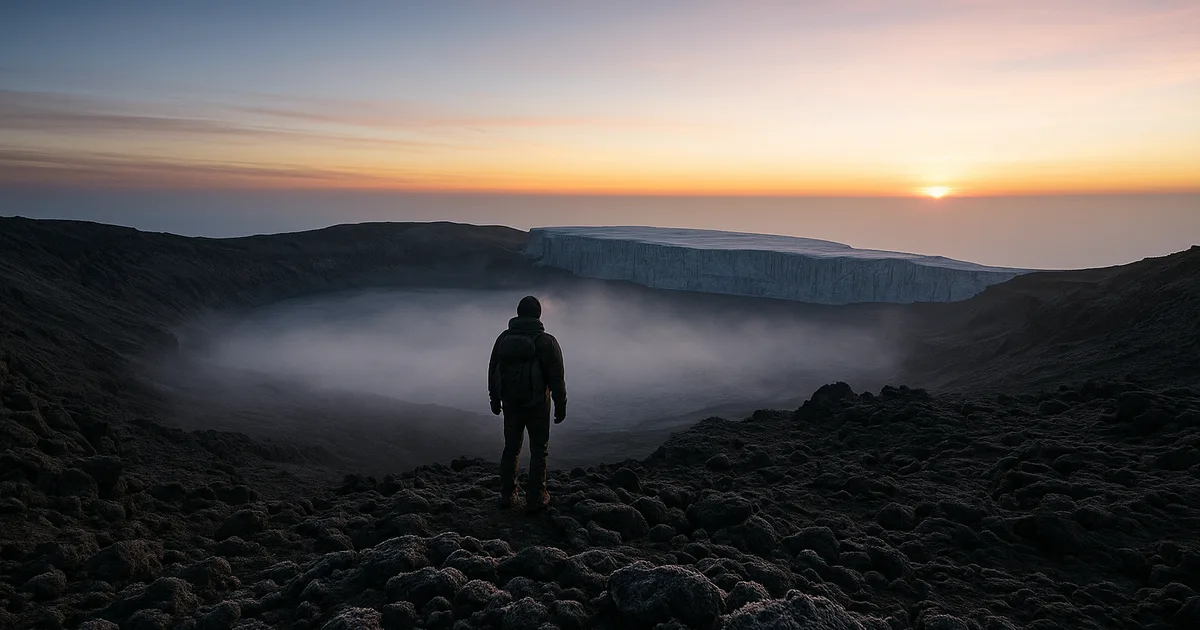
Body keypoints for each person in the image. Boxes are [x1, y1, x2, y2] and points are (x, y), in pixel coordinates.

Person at [488, 295, 567, 513]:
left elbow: (493, 369)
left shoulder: (504, 338)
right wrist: (561, 405)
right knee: (539, 450)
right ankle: (536, 497)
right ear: (538, 315)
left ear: (518, 313)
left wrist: (494, 398)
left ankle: (507, 494)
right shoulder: (546, 341)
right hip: (538, 405)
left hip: (511, 404)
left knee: (511, 448)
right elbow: (557, 378)